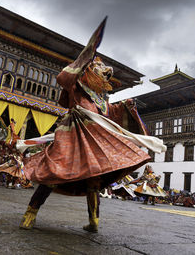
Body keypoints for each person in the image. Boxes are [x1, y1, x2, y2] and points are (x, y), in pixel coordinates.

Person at [19, 18, 166, 233]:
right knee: (53, 174)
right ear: (87, 70)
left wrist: (125, 106)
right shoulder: (76, 87)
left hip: (94, 142)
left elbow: (108, 114)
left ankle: (93, 221)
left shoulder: (101, 99)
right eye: (98, 67)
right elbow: (63, 77)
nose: (104, 71)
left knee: (93, 182)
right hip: (71, 138)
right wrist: (86, 55)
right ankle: (30, 212)